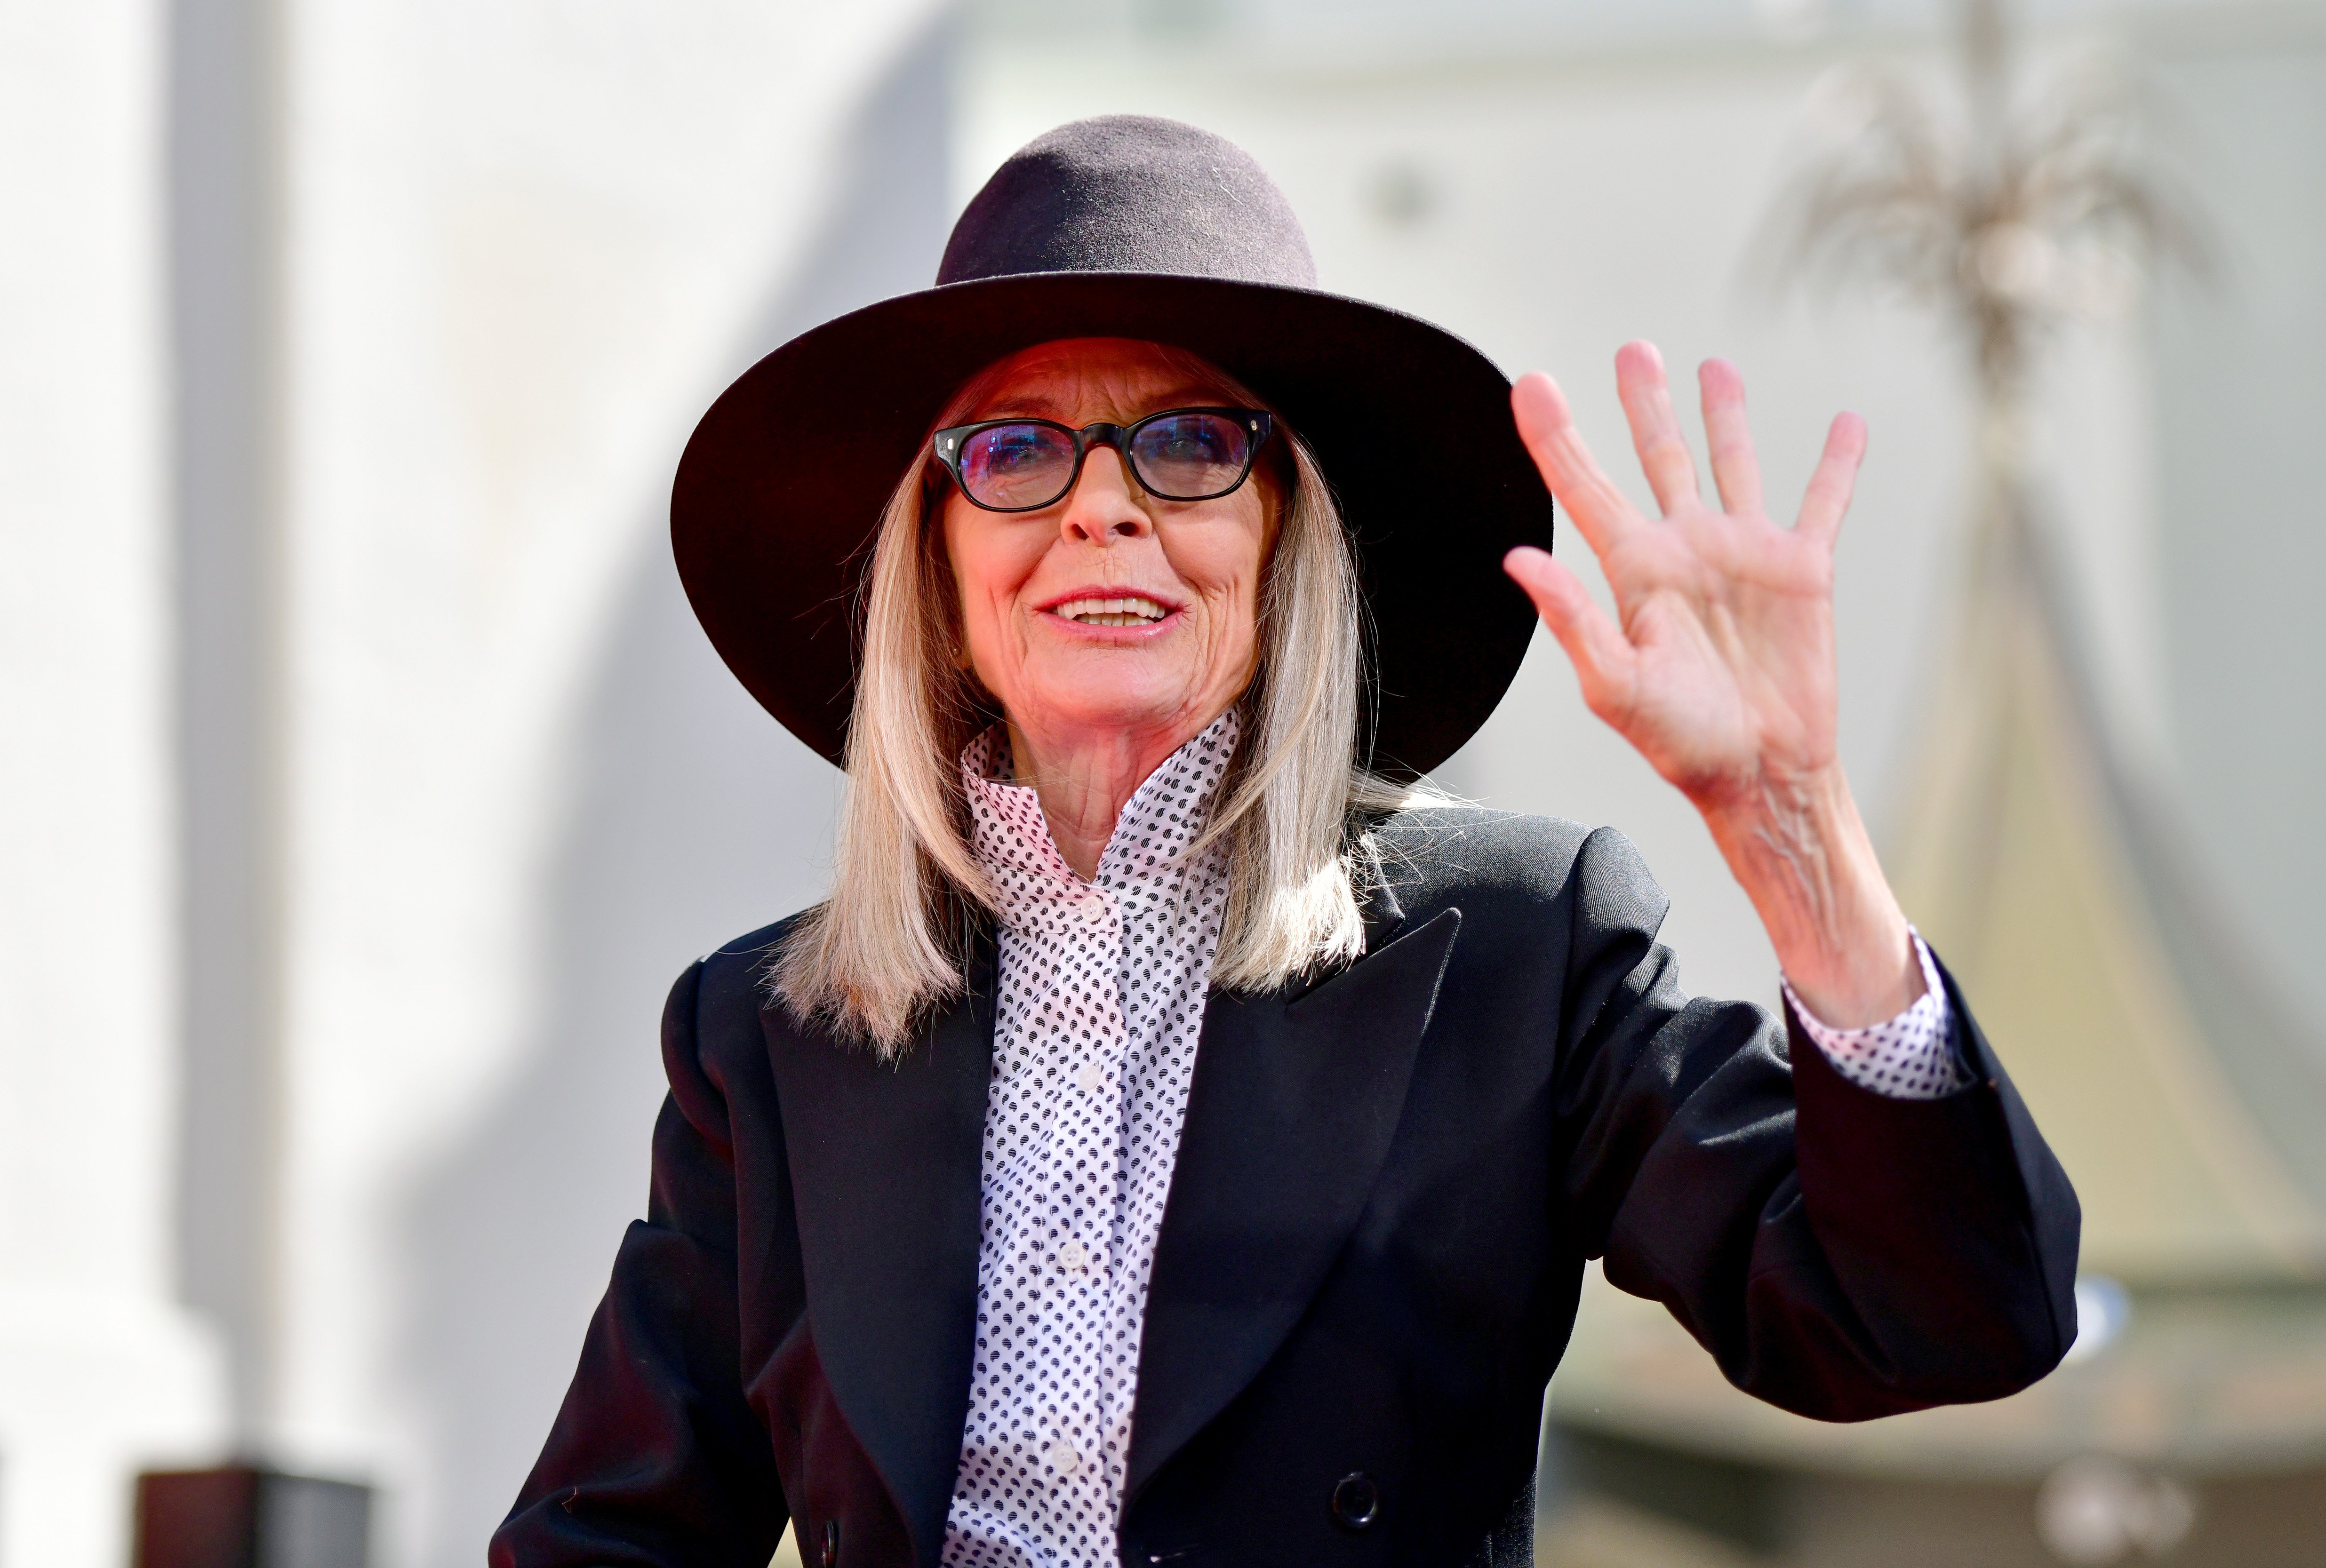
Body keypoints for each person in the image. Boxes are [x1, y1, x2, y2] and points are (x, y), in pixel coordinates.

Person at [493, 116, 2078, 1568]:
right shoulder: (770, 1033)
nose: (1102, 511)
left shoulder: (1518, 947)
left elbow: (1934, 1321)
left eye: (1189, 445)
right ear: (941, 566)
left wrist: (1791, 828)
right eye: (1015, 450)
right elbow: (604, 1542)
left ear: (1285, 542)